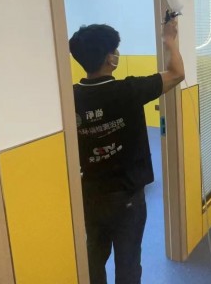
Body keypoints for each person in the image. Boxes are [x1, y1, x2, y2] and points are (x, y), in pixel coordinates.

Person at [69, 19, 184, 284]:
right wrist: (169, 40)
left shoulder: (70, 96)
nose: (117, 54)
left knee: (93, 258)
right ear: (110, 58)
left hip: (90, 195)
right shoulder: (128, 90)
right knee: (128, 262)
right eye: (115, 50)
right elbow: (177, 73)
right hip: (127, 196)